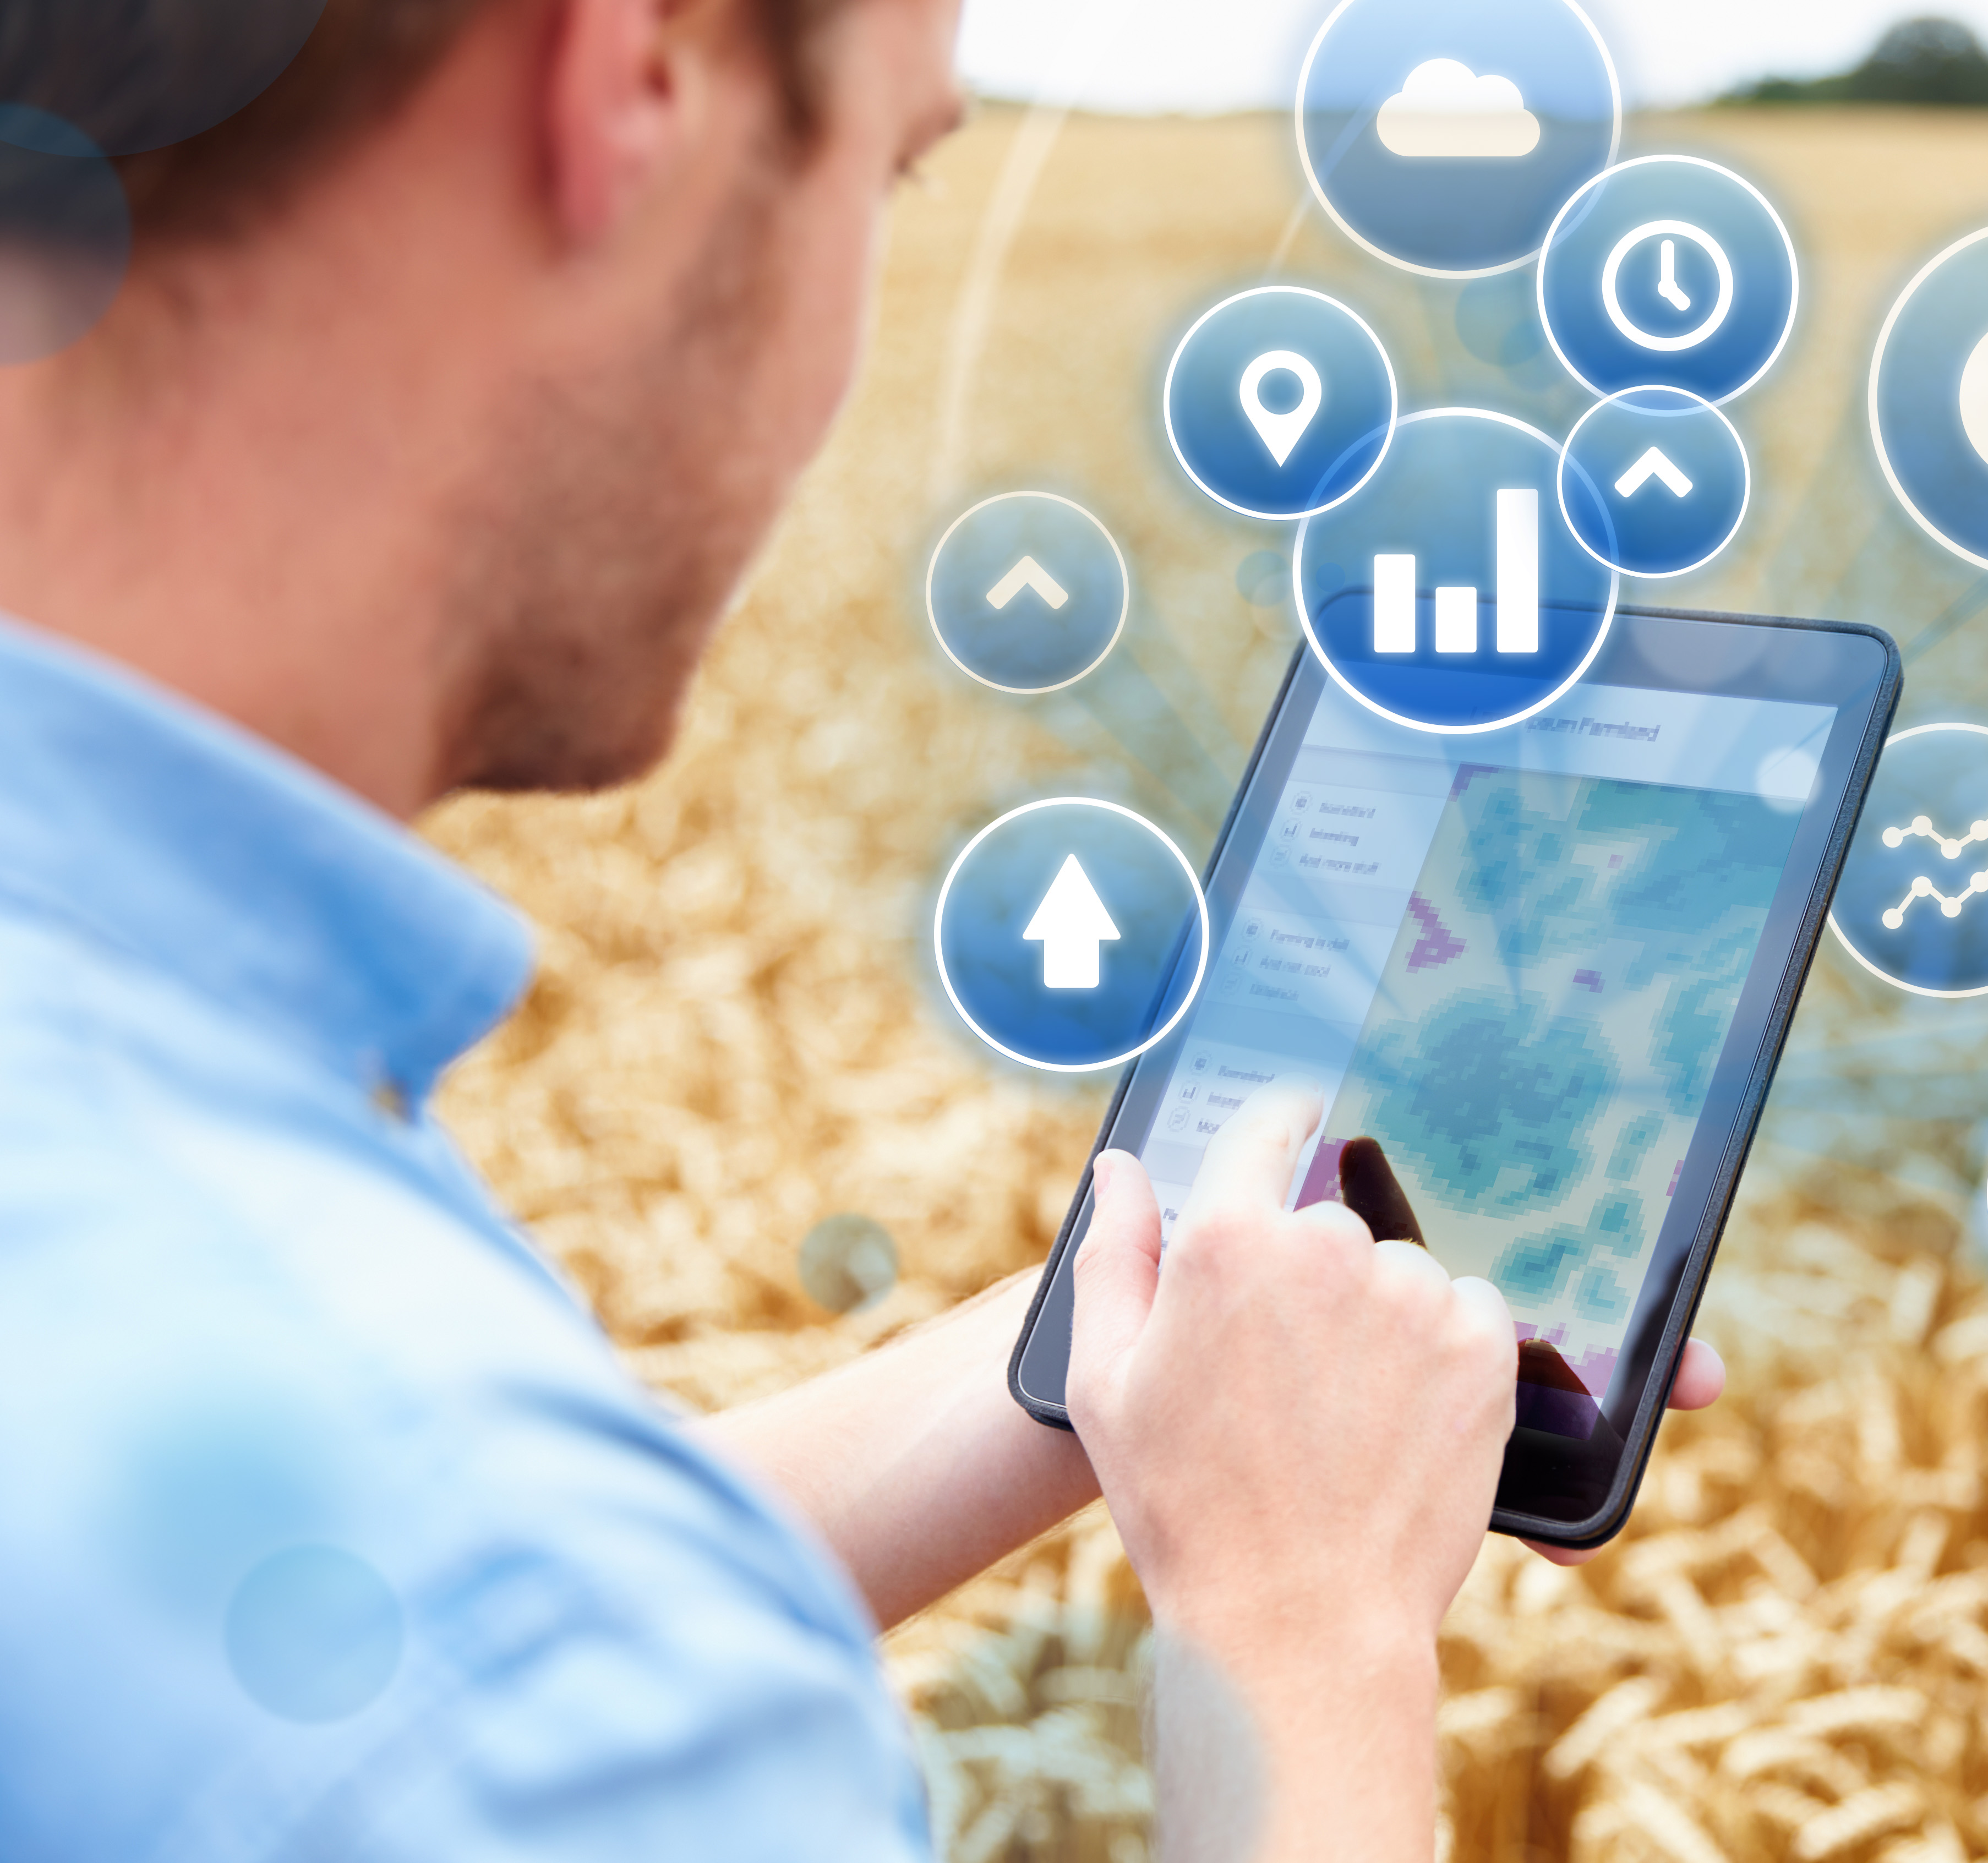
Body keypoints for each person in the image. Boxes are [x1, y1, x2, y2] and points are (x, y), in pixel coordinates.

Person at [0, 1, 1725, 1856]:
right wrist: (1306, 1642)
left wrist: (1119, 1330)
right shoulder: (519, 1687)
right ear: (631, 83)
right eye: (892, 166)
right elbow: (497, 1668)